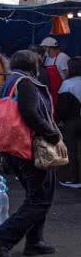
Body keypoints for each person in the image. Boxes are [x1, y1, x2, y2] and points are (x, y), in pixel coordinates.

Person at [0, 50, 68, 257]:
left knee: (38, 195)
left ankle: (35, 242)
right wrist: (53, 136)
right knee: (40, 199)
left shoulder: (10, 81)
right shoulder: (25, 83)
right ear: (33, 66)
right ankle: (3, 236)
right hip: (28, 149)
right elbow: (31, 113)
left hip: (13, 148)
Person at [57, 57, 81, 187]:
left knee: (71, 150)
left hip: (71, 122)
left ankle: (74, 179)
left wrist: (58, 120)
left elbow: (63, 106)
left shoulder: (67, 84)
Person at [40, 37, 70, 110]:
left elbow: (67, 76)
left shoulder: (62, 57)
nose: (43, 51)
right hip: (51, 90)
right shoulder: (47, 58)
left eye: (44, 48)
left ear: (49, 48)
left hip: (61, 90)